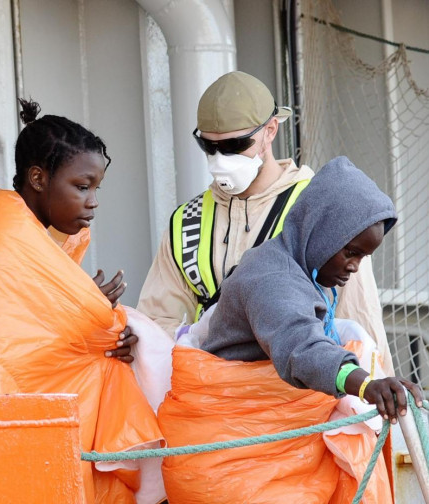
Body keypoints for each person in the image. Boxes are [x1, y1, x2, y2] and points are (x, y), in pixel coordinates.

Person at [0, 99, 165, 504]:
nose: (93, 201)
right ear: (38, 177)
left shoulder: (25, 227)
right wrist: (93, 319)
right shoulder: (7, 227)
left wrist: (93, 319)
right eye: (82, 187)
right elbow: (25, 331)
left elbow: (46, 327)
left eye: (96, 189)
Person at [158, 156, 424, 503]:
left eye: (362, 257)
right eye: (351, 252)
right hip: (237, 464)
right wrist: (366, 384)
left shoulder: (303, 271)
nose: (355, 267)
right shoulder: (273, 279)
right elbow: (301, 347)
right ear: (321, 230)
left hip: (266, 454)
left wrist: (372, 378)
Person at [137, 71, 395, 376]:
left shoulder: (322, 206)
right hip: (211, 397)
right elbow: (156, 322)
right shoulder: (186, 221)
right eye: (209, 147)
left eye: (236, 145)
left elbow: (359, 315)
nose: (220, 159)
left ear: (270, 130)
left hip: (301, 395)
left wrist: (378, 398)